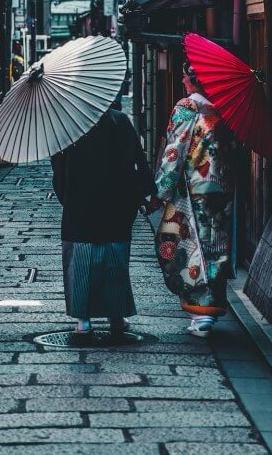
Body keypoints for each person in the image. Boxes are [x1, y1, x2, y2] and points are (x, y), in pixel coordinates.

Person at [147, 61, 235, 338]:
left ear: (195, 80)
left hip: (191, 189)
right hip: (220, 188)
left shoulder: (189, 107)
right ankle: (208, 308)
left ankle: (199, 311)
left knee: (185, 243)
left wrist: (160, 190)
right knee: (215, 245)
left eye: (186, 77)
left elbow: (175, 150)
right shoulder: (222, 108)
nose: (183, 81)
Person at [51, 96, 153, 334]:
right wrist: (143, 194)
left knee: (80, 261)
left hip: (80, 206)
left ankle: (83, 320)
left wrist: (67, 198)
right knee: (114, 260)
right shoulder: (119, 121)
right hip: (116, 204)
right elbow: (136, 162)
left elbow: (58, 169)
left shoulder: (68, 126)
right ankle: (116, 317)